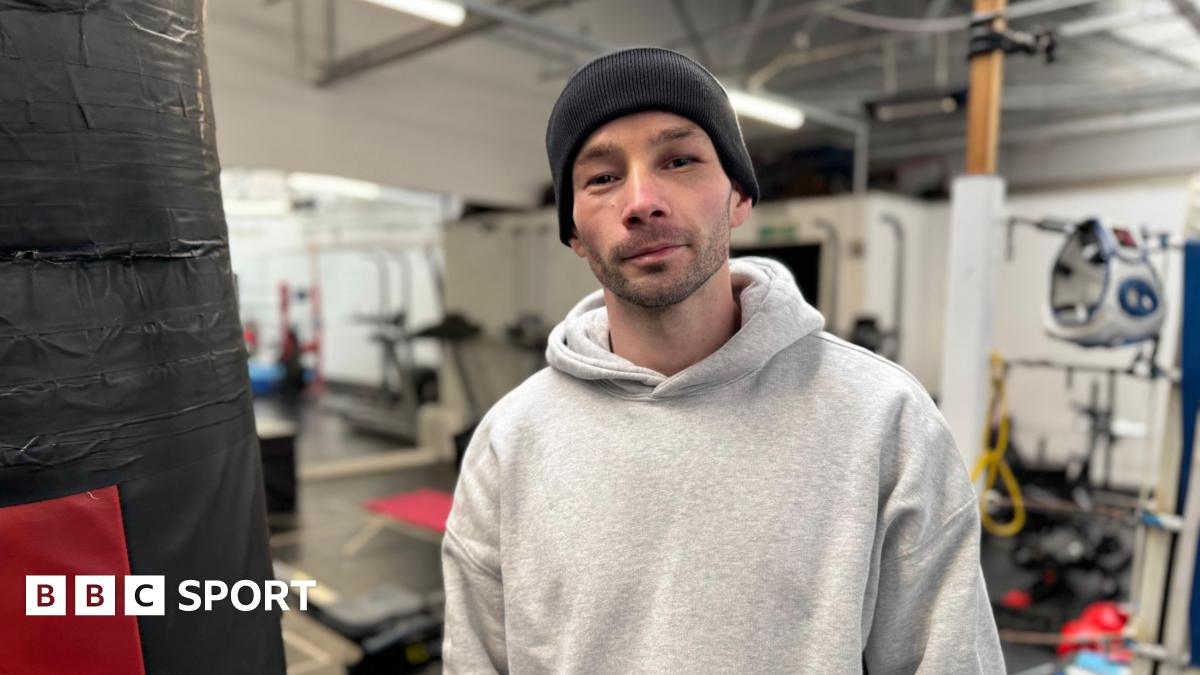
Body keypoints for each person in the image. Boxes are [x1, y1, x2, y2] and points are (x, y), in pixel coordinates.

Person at [441, 46, 1005, 674]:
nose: (641, 200)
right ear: (573, 230)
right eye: (601, 177)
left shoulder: (883, 422)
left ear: (738, 196)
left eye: (679, 160)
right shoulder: (509, 443)